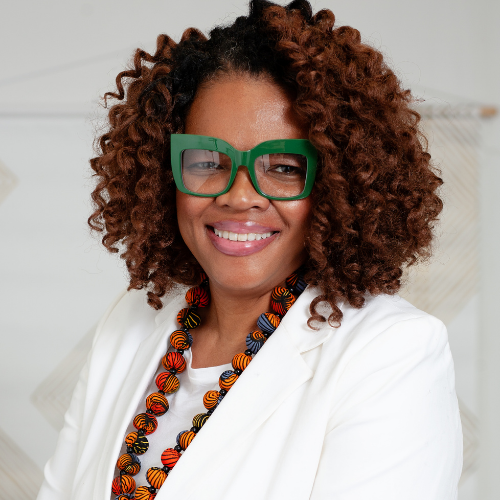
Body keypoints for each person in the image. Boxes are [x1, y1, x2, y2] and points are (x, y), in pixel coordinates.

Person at [36, 1, 462, 499]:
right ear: (165, 171)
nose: (238, 196)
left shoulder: (392, 354)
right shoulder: (129, 323)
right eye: (207, 160)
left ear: (340, 184)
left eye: (283, 167)